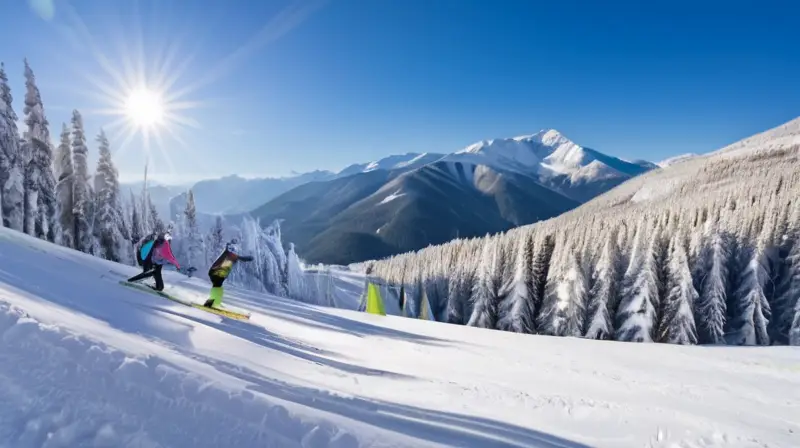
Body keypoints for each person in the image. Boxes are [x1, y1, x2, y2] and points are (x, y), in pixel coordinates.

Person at [204, 238, 253, 308]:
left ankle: (216, 303)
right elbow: (240, 257)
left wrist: (246, 259)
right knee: (217, 287)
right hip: (215, 272)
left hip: (220, 275)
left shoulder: (232, 257)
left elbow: (240, 258)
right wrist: (247, 258)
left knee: (218, 288)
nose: (233, 251)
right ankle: (210, 303)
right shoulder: (228, 254)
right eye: (232, 249)